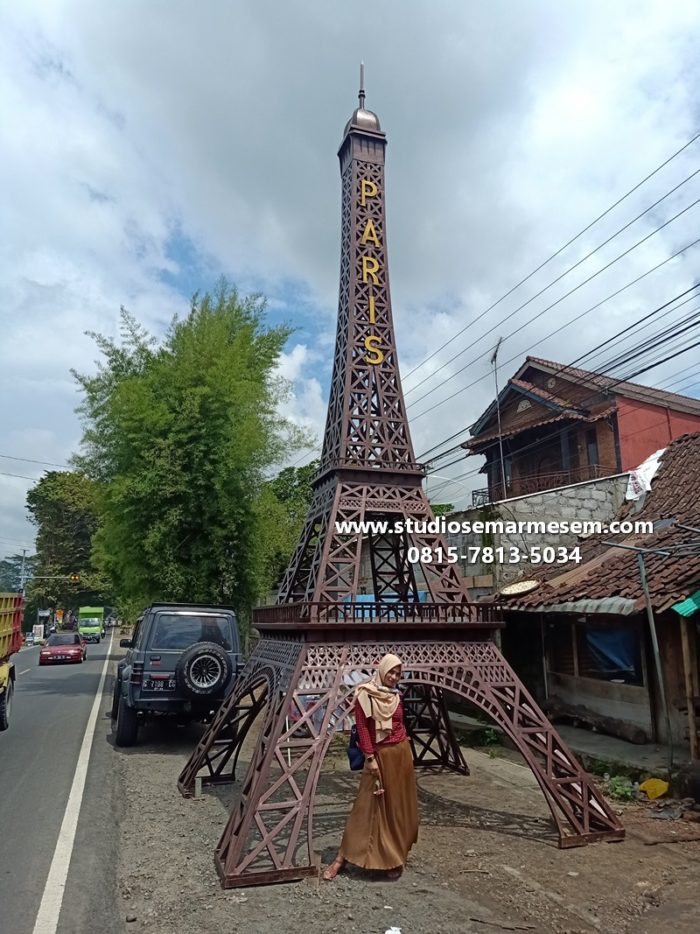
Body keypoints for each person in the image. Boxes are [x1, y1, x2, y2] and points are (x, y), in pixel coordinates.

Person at [323, 653, 419, 881]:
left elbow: (399, 725)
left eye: (398, 673)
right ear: (382, 670)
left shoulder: (397, 696)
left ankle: (393, 857)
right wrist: (369, 757)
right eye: (391, 672)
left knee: (397, 808)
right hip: (377, 755)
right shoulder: (365, 693)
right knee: (365, 806)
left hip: (400, 754)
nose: (394, 677)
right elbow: (364, 728)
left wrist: (406, 750)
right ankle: (341, 857)